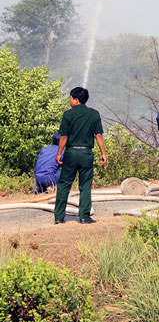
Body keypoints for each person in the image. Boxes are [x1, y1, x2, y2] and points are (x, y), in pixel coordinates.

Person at [53, 87, 107, 224]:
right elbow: (99, 135)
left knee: (64, 184)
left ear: (76, 100)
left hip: (71, 152)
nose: (69, 100)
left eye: (70, 98)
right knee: (85, 185)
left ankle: (59, 217)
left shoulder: (68, 115)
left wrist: (59, 153)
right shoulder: (94, 114)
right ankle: (84, 216)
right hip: (86, 153)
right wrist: (103, 153)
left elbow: (64, 136)